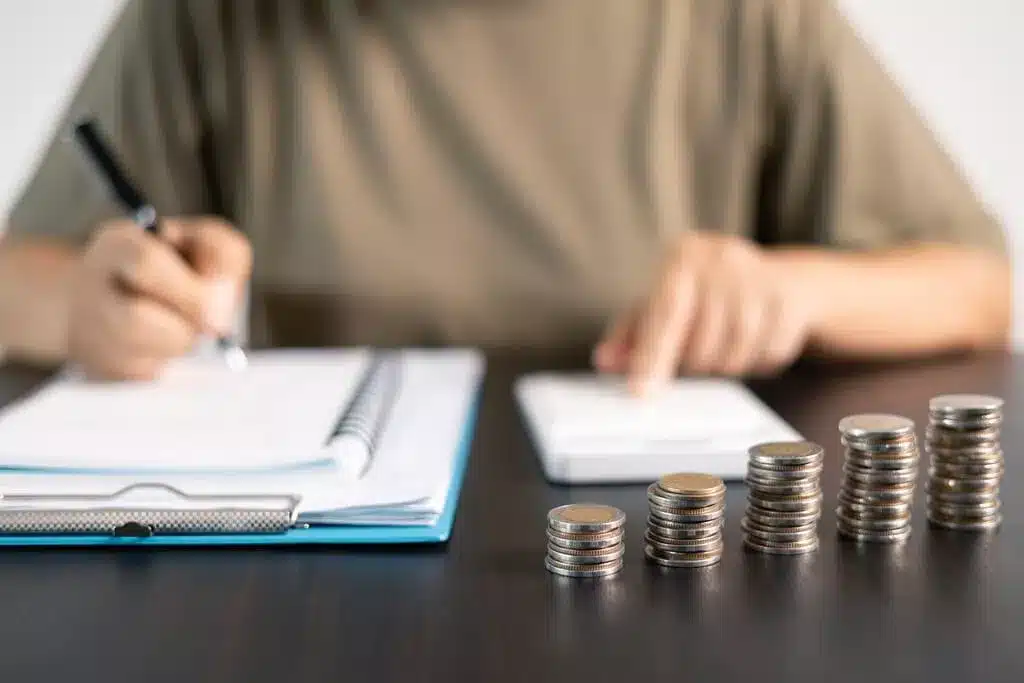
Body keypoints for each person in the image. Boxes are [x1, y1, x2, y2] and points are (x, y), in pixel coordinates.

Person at [0, 0, 1011, 394]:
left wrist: (796, 291)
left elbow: (977, 282)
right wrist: (86, 307)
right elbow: (16, 278)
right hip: (318, 577)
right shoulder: (210, 16)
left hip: (677, 571)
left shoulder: (744, 15)